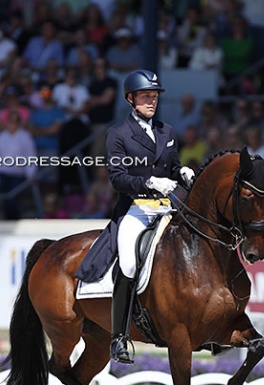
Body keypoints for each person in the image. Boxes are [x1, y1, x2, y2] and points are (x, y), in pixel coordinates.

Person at [74, 69, 194, 365]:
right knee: (128, 261)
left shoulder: (168, 132)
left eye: (154, 96)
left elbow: (172, 166)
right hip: (135, 209)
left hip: (165, 208)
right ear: (131, 99)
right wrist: (150, 183)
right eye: (145, 96)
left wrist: (183, 172)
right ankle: (118, 338)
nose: (152, 101)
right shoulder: (118, 134)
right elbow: (116, 178)